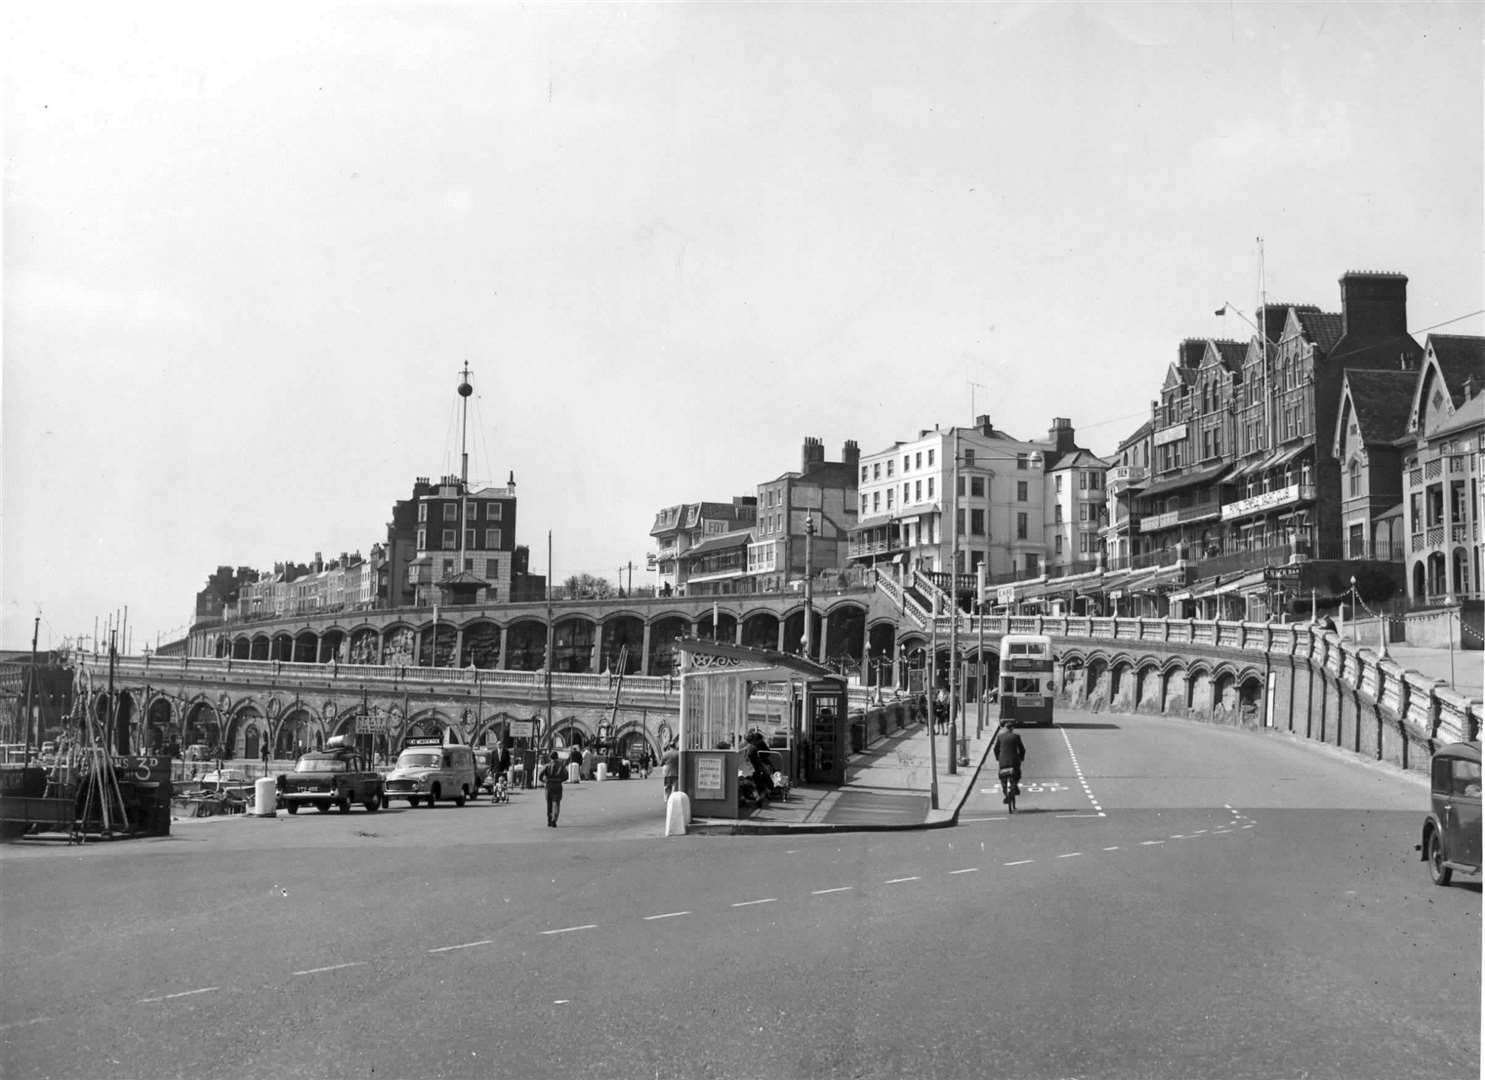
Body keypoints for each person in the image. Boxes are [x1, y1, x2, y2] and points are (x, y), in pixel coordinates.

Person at [990, 719, 1026, 802]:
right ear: (1012, 728)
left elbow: (996, 749)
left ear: (1005, 728)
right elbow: (1022, 749)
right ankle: (1014, 787)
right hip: (1014, 761)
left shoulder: (1000, 736)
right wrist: (1021, 758)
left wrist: (997, 758)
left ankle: (1005, 792)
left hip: (1003, 761)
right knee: (1017, 774)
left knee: (1002, 777)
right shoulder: (1016, 736)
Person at [538, 751, 566, 827]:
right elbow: (566, 776)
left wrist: (544, 781)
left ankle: (549, 820)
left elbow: (540, 776)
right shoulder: (561, 766)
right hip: (557, 785)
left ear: (550, 758)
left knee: (549, 803)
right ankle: (554, 819)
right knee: (556, 803)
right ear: (557, 757)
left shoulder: (547, 766)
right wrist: (560, 780)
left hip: (549, 785)